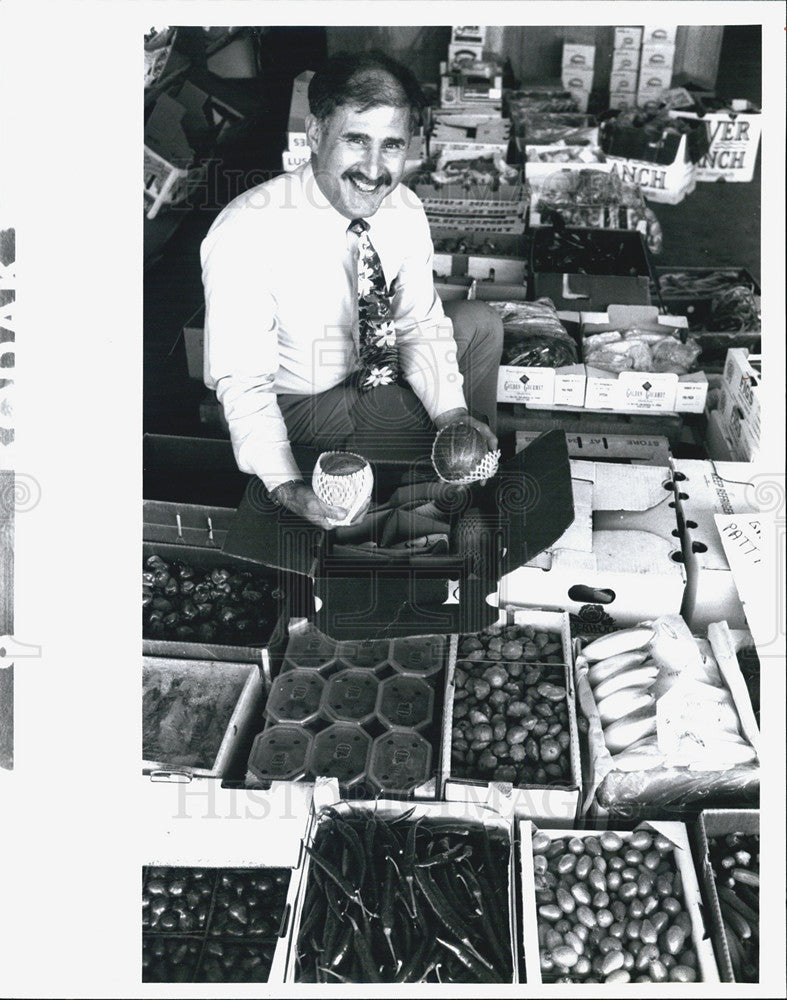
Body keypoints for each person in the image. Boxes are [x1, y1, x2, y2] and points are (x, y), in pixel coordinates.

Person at [201, 50, 504, 529]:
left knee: (479, 324)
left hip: (369, 373)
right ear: (317, 134)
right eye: (356, 140)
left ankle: (458, 459)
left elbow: (419, 322)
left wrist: (451, 416)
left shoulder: (402, 207)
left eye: (391, 145)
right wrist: (284, 486)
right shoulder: (247, 230)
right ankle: (420, 488)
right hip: (302, 402)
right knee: (397, 440)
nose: (373, 168)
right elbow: (243, 381)